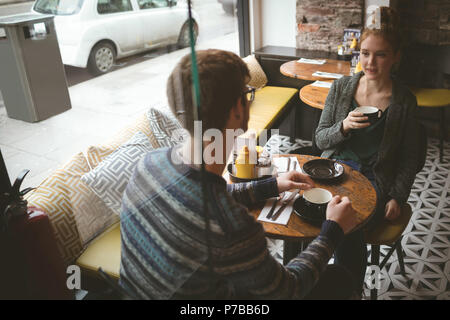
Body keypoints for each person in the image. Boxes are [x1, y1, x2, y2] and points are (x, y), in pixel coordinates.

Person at [119, 49, 359, 300]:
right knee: (338, 279)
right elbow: (289, 289)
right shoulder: (231, 225)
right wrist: (332, 230)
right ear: (237, 109)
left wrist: (270, 185)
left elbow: (203, 200)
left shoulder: (147, 164)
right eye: (248, 93)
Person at [315, 7, 424, 293]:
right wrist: (344, 127)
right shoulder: (340, 88)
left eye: (381, 54)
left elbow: (410, 158)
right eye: (364, 53)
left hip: (375, 181)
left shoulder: (404, 102)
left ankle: (348, 291)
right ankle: (303, 284)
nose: (370, 61)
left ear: (396, 57)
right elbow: (320, 140)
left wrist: (398, 197)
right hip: (334, 170)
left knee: (349, 222)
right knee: (306, 211)